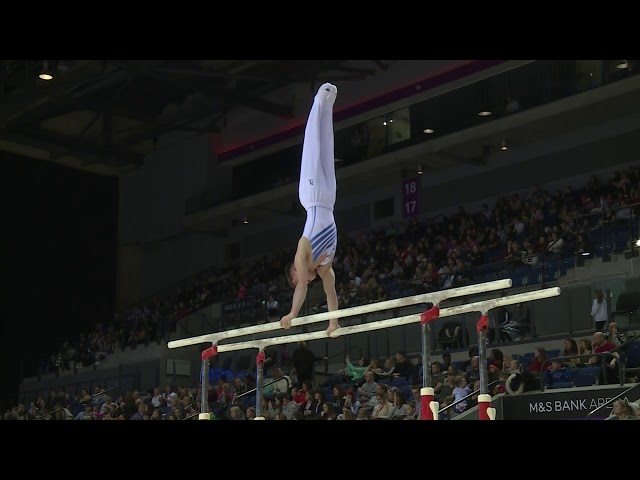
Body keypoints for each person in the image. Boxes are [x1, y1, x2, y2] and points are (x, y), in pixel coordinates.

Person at [280, 83, 340, 336]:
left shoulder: (301, 256)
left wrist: (292, 314)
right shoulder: (325, 266)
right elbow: (330, 292)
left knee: (313, 148)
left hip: (312, 196)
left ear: (295, 270)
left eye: (296, 278)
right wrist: (333, 322)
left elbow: (303, 285)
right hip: (330, 198)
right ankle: (330, 105)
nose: (301, 279)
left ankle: (319, 100)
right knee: (327, 149)